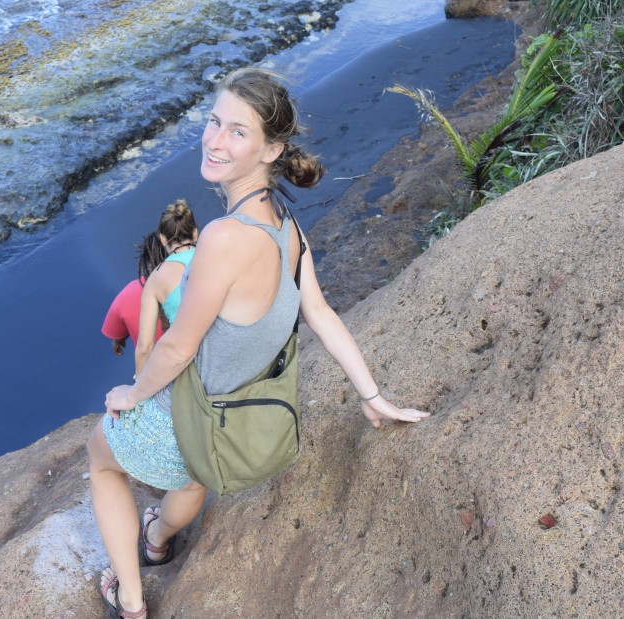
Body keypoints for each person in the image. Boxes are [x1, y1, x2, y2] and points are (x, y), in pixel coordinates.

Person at [88, 67, 431, 619]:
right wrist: (371, 394)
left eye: (237, 132)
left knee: (101, 456)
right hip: (247, 419)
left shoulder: (224, 237)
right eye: (213, 122)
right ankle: (156, 540)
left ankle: (129, 597)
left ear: (272, 149)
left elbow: (176, 349)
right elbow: (318, 311)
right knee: (192, 476)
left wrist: (132, 395)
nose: (215, 141)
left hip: (200, 415)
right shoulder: (286, 223)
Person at [134, 200, 198, 377]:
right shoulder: (215, 253)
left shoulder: (155, 279)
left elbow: (144, 348)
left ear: (162, 239)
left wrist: (137, 391)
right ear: (195, 233)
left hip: (191, 362)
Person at [101, 232, 167, 356]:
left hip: (151, 368)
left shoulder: (127, 294)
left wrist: (118, 341)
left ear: (146, 262)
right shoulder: (188, 282)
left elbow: (117, 332)